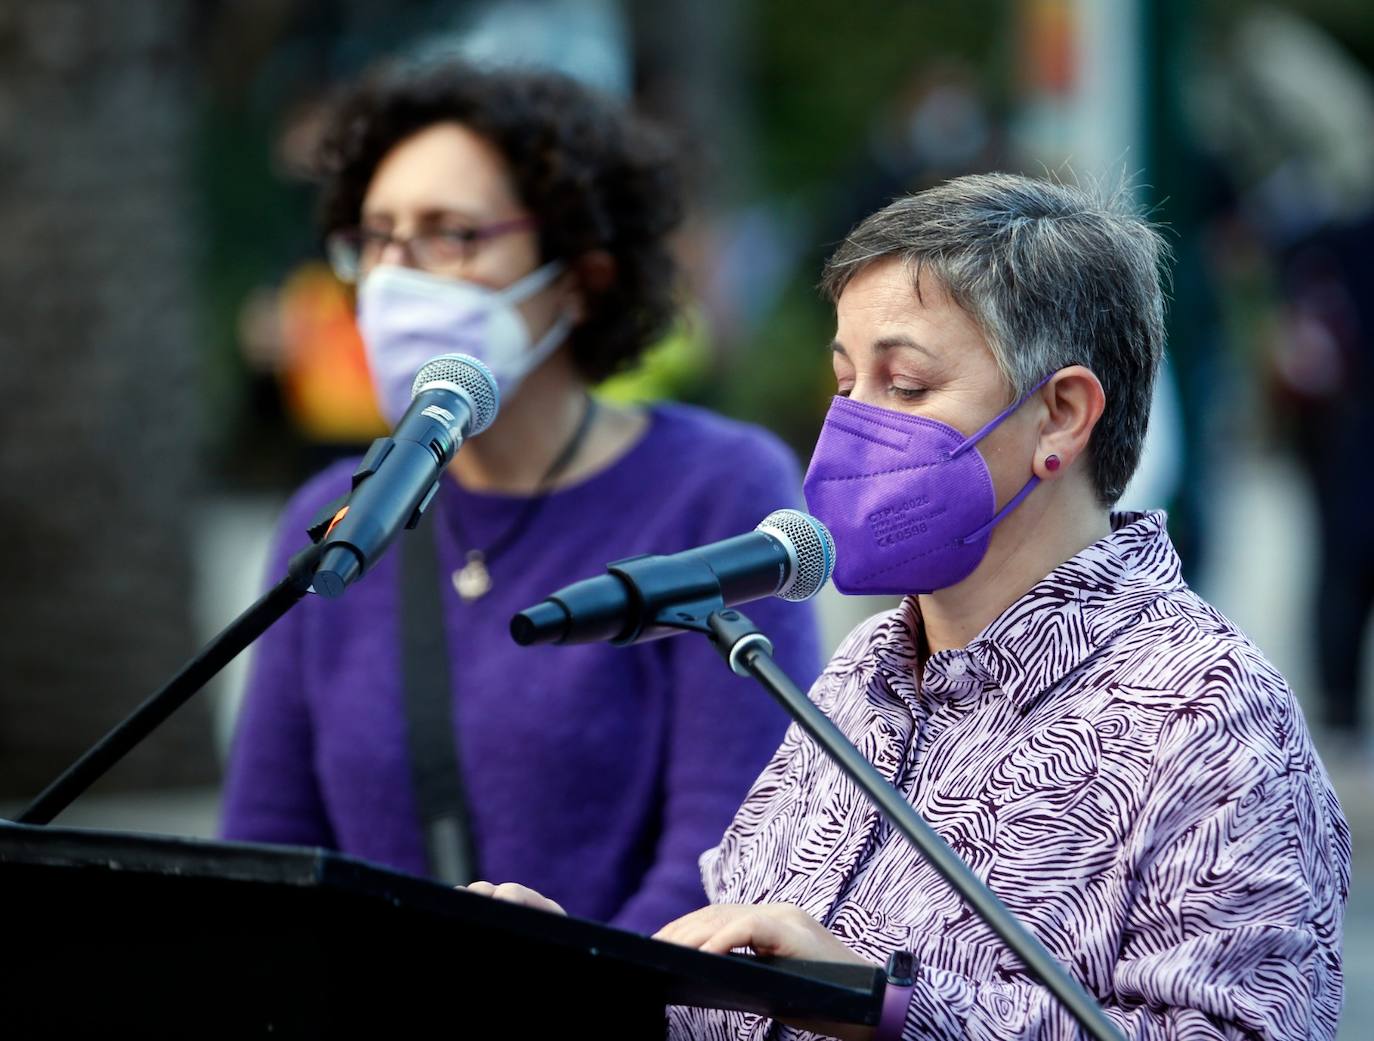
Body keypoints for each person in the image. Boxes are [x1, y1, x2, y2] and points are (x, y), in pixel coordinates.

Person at [474, 174, 1350, 1039]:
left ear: (1060, 416)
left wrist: (887, 1004)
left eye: (906, 385)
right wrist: (579, 974)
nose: (851, 426)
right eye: (846, 381)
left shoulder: (1211, 709)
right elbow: (732, 989)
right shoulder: (860, 675)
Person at [219, 61, 819, 936]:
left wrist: (561, 990)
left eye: (451, 235)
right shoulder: (337, 521)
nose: (395, 277)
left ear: (581, 274)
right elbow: (264, 861)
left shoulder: (719, 489)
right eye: (376, 237)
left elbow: (734, 859)